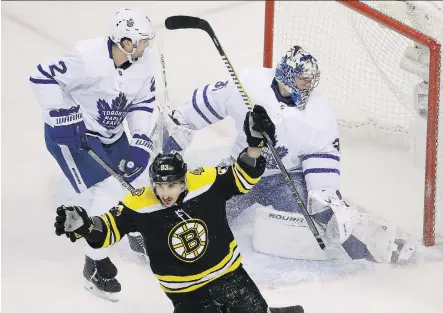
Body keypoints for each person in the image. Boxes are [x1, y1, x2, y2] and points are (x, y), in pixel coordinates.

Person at [162, 45, 417, 264]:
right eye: (303, 79)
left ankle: (374, 244)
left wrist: (323, 196)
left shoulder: (319, 110)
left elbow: (323, 153)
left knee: (325, 217)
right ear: (286, 76)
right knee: (210, 206)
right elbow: (209, 100)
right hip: (242, 169)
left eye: (311, 80)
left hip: (285, 178)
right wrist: (179, 126)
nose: (309, 86)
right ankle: (160, 232)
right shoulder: (249, 85)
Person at [53, 105, 304, 313]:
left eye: (171, 185)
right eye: (159, 186)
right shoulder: (139, 204)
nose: (165, 193)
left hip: (229, 275)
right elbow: (106, 230)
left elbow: (244, 177)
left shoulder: (205, 181)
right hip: (186, 292)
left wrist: (255, 145)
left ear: (184, 180)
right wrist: (86, 227)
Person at [29, 8, 160, 300]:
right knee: (108, 190)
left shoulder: (144, 61)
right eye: (141, 41)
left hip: (112, 135)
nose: (146, 46)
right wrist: (61, 115)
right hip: (74, 137)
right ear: (125, 42)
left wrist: (139, 140)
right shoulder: (86, 57)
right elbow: (41, 76)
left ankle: (135, 228)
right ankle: (94, 263)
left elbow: (144, 102)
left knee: (137, 180)